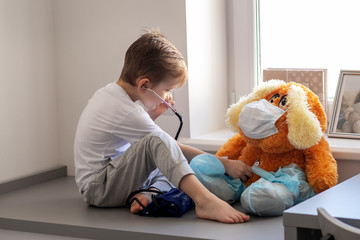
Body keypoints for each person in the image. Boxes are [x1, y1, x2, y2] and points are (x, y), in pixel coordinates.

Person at [74, 29, 252, 224]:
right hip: (99, 189)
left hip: (110, 178)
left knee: (171, 164)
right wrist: (224, 163)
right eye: (167, 90)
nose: (169, 96)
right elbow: (166, 144)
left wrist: (151, 116)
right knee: (165, 148)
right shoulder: (126, 110)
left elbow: (148, 146)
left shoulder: (112, 95)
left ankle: (147, 194)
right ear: (144, 85)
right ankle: (205, 201)